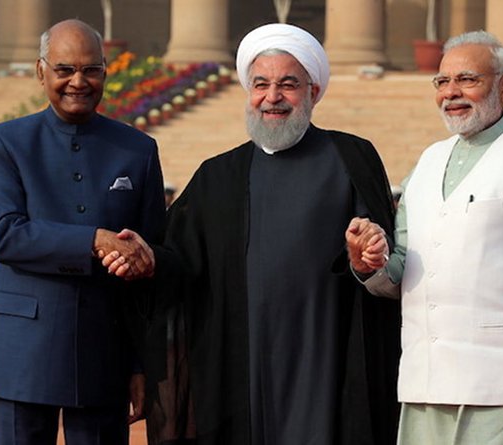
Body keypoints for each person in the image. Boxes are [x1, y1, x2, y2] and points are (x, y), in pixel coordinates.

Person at [105, 23, 400, 445]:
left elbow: (379, 257)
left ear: (313, 92)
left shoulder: (351, 156)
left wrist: (365, 256)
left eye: (288, 84)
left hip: (324, 356)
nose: (272, 97)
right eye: (260, 84)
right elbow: (180, 265)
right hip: (239, 361)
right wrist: (146, 256)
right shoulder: (218, 175)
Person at [345, 31, 503, 445]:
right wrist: (368, 261)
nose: (451, 93)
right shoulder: (427, 162)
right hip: (423, 390)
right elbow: (404, 270)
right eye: (442, 82)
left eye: (467, 80)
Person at [0, 19, 168, 445]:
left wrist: (140, 363)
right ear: (41, 71)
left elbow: (149, 261)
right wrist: (92, 241)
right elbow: (5, 234)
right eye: (64, 70)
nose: (78, 82)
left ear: (106, 71)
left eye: (90, 70)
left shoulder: (137, 149)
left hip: (105, 352)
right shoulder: (3, 143)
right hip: (24, 353)